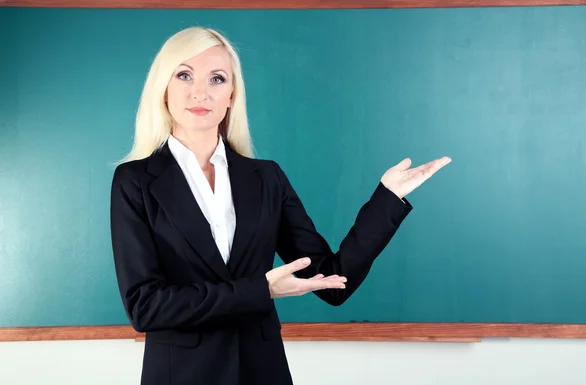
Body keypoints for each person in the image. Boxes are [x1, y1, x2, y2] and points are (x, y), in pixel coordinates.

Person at [110, 26, 451, 385]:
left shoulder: (266, 178)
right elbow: (145, 307)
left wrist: (388, 198)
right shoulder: (134, 182)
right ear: (164, 89)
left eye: (216, 78)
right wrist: (260, 290)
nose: (200, 91)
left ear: (231, 96)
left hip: (262, 371)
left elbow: (332, 282)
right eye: (184, 75)